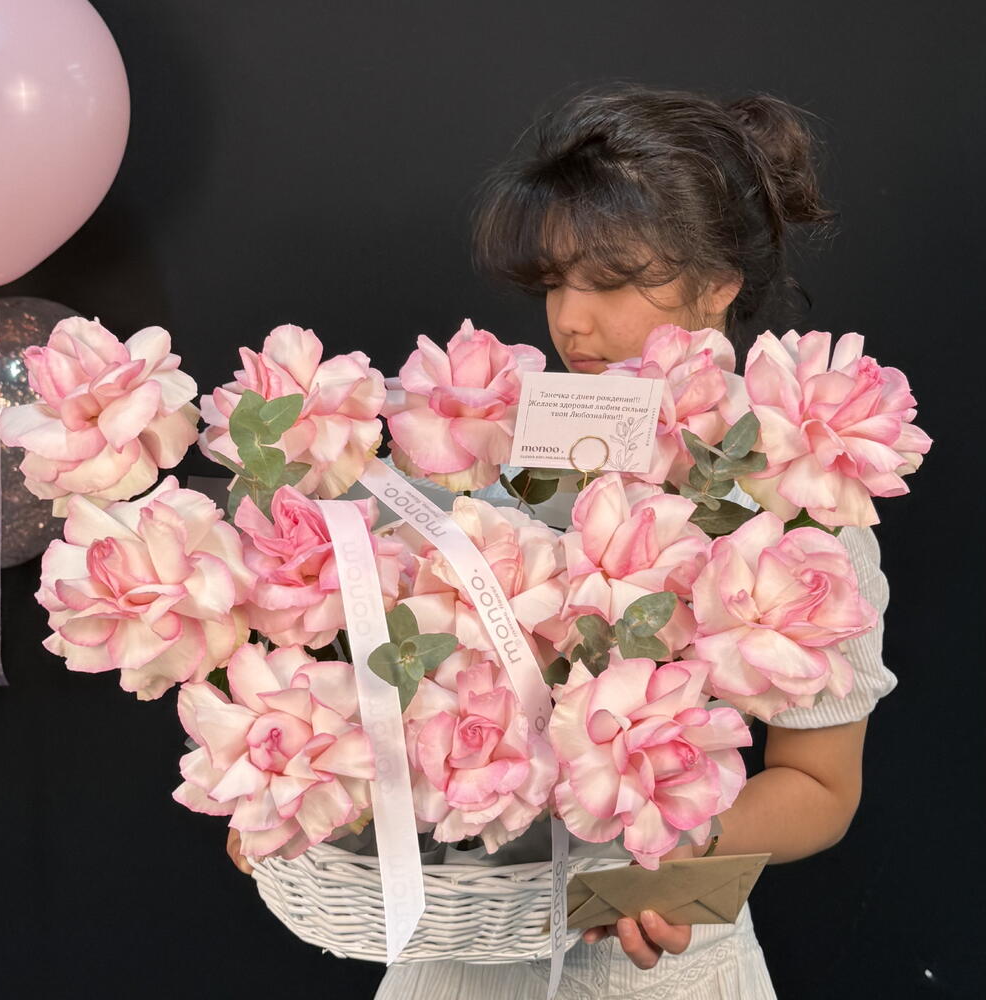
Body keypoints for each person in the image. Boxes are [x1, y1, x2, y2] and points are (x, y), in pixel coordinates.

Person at [228, 84, 897, 999]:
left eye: (612, 281)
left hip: (646, 972)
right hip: (458, 951)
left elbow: (822, 787)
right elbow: (391, 700)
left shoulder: (798, 517)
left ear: (719, 283)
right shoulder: (492, 452)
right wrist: (296, 795)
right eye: (553, 281)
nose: (571, 320)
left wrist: (684, 847)